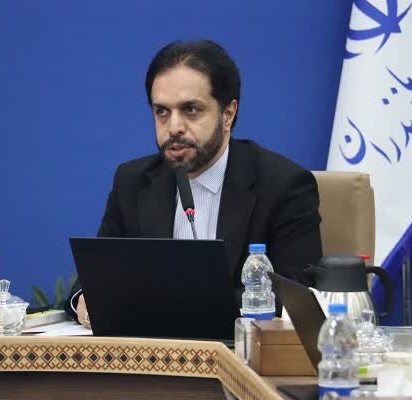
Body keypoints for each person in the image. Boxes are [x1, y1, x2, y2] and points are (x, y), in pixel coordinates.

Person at [65, 39, 323, 327]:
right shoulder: (133, 181)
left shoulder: (284, 186)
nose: (174, 127)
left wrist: (164, 306)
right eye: (162, 111)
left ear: (228, 114)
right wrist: (86, 299)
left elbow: (295, 299)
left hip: (240, 351)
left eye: (190, 110)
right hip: (151, 352)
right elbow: (93, 280)